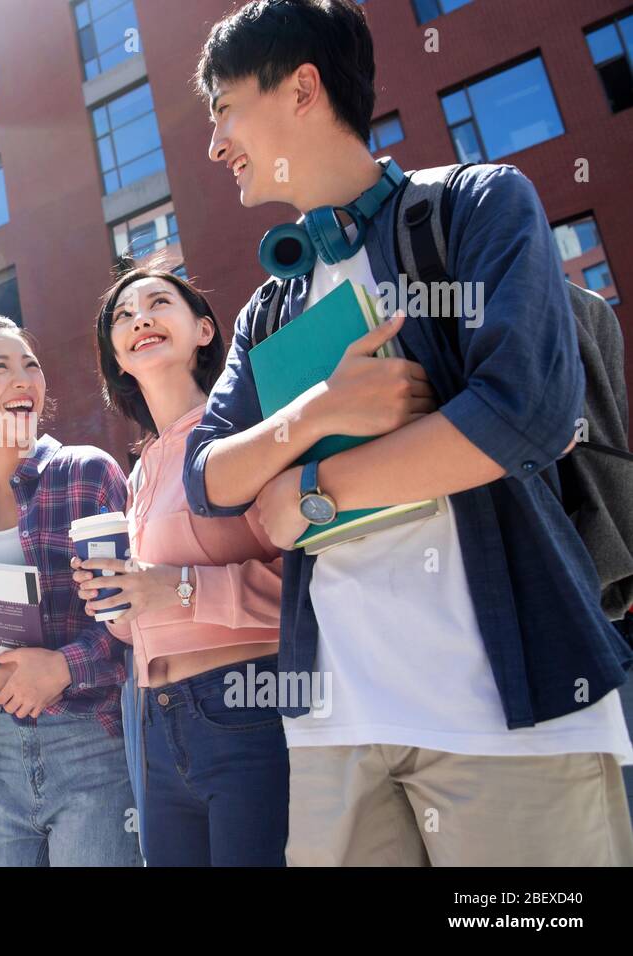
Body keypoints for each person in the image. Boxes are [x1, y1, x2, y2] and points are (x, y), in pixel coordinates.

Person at [185, 0, 633, 865]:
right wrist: (320, 414)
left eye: (223, 108)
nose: (214, 144)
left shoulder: (479, 206)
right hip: (334, 733)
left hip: (512, 717)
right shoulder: (268, 305)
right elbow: (207, 477)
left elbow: (520, 414)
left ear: (303, 87)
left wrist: (305, 498)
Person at [0, 312, 141, 866]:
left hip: (97, 748)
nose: (24, 378)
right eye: (0, 366)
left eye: (30, 365)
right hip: (2, 754)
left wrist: (64, 668)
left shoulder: (88, 473)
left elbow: (138, 609)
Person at [73, 264, 287, 865]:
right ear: (116, 358)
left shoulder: (246, 434)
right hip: (155, 727)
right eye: (123, 315)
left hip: (247, 707)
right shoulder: (137, 473)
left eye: (158, 302)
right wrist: (115, 605)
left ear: (203, 331)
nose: (139, 317)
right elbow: (146, 614)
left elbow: (306, 582)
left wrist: (177, 589)